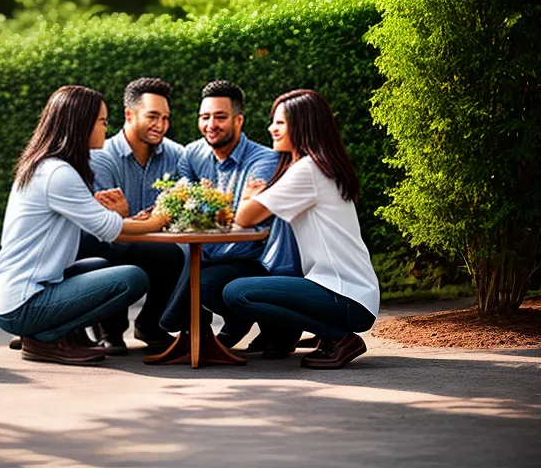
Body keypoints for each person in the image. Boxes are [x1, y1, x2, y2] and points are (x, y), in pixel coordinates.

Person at [0, 85, 170, 365]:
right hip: (22, 304)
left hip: (18, 293)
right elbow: (112, 230)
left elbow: (89, 217)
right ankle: (45, 337)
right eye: (101, 121)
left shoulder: (47, 166)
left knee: (98, 265)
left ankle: (44, 332)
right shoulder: (58, 173)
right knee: (132, 278)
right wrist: (159, 220)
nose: (104, 128)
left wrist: (100, 205)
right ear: (80, 124)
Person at [226, 89, 380, 369]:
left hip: (344, 296)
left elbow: (246, 218)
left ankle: (338, 338)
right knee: (246, 286)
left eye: (280, 123)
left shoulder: (307, 170)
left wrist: (250, 195)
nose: (271, 128)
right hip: (352, 293)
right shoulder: (318, 166)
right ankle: (329, 334)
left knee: (236, 292)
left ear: (303, 125)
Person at [160, 79, 300, 354]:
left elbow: (245, 216)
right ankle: (234, 322)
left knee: (204, 282)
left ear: (238, 121)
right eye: (205, 117)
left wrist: (204, 206)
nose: (211, 124)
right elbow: (182, 202)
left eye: (220, 117)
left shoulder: (264, 159)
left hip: (253, 257)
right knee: (181, 263)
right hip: (212, 253)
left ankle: (277, 326)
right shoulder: (192, 154)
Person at [80, 77, 185, 355]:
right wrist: (135, 218)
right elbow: (105, 221)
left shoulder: (177, 155)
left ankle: (151, 324)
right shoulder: (102, 156)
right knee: (103, 249)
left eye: (165, 118)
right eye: (152, 116)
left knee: (172, 253)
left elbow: (178, 206)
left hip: (151, 240)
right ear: (129, 114)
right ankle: (110, 330)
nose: (160, 125)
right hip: (110, 239)